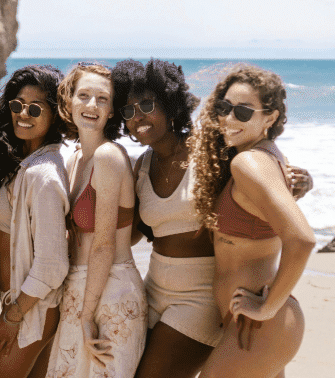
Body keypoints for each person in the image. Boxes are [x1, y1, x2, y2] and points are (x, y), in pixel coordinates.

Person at [111, 59, 313, 378]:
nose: (138, 117)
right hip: (155, 290)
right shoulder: (142, 166)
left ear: (170, 104)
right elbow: (132, 232)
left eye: (147, 105)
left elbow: (263, 169)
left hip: (202, 300)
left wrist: (301, 181)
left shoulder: (213, 152)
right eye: (128, 111)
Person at [187, 64, 316, 378]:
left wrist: (267, 308)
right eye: (224, 108)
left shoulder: (248, 162)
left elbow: (302, 240)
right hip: (256, 322)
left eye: (243, 112)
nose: (229, 119)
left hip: (260, 323)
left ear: (269, 118)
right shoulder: (268, 158)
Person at [45, 63, 147, 377]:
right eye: (84, 95)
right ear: (69, 101)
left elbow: (103, 244)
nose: (92, 105)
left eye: (102, 99)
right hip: (80, 290)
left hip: (112, 291)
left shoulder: (108, 156)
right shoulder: (74, 158)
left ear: (112, 110)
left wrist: (87, 316)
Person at [0, 65, 70, 378]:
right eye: (17, 105)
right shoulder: (24, 164)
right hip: (25, 306)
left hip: (30, 311)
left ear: (55, 115)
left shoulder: (43, 175)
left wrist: (12, 317)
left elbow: (52, 264)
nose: (23, 114)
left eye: (35, 108)